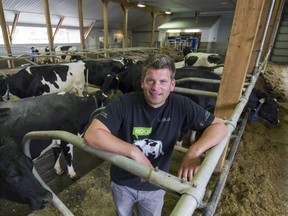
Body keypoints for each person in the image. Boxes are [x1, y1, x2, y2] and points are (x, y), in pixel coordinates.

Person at [84, 54, 228, 216]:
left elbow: (219, 127)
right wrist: (134, 151)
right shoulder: (125, 103)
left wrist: (195, 151)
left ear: (172, 85)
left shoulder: (181, 105)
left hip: (156, 184)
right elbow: (92, 134)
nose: (155, 87)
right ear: (142, 82)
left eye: (163, 82)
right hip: (122, 182)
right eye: (150, 80)